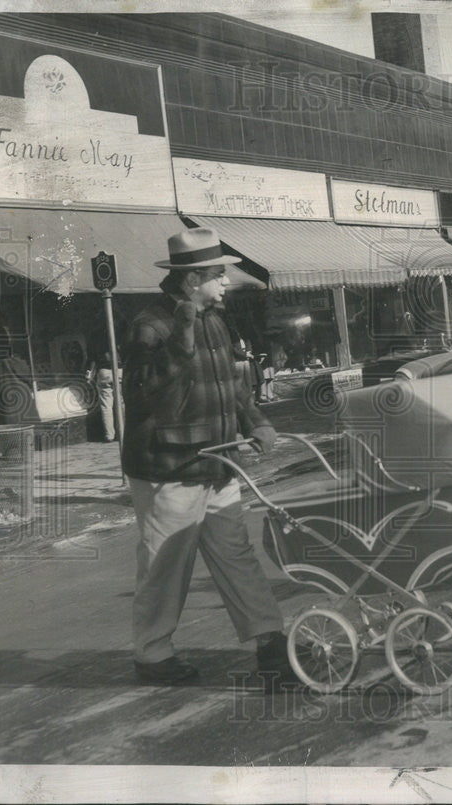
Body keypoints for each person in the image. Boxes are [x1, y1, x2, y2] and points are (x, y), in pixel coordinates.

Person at [120, 226, 297, 688]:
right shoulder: (151, 325)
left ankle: (271, 644)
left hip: (218, 462)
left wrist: (254, 420)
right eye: (218, 275)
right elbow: (142, 396)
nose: (226, 283)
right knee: (166, 565)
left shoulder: (215, 319)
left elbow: (230, 385)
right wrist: (181, 337)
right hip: (169, 468)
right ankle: (153, 656)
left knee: (237, 556)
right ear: (192, 279)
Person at [86, 329, 120, 442]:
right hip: (119, 370)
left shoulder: (96, 341)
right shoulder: (118, 338)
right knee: (121, 404)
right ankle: (122, 432)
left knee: (106, 406)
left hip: (104, 371)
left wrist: (90, 375)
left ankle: (109, 435)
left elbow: (92, 360)